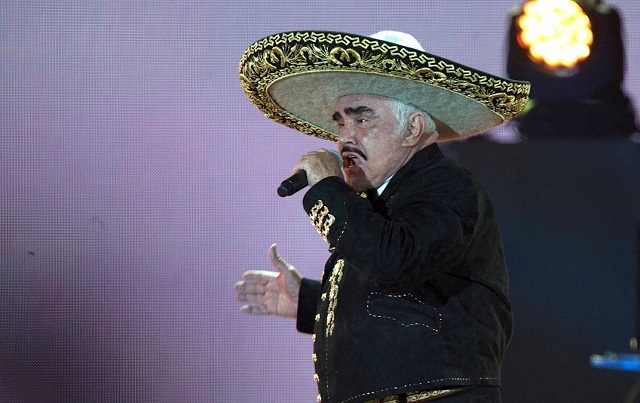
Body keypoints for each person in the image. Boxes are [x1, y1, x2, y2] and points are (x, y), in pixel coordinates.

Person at [235, 31, 530, 402]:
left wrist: (327, 187)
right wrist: (314, 301)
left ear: (413, 129)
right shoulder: (378, 202)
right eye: (341, 123)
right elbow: (399, 301)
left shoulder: (448, 188)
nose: (344, 138)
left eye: (362, 120)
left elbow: (393, 261)